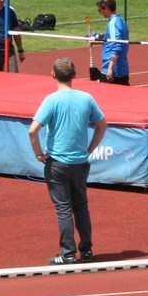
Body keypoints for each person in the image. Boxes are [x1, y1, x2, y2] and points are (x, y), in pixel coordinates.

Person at [28, 57, 108, 265]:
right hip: (80, 162)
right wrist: (89, 149)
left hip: (57, 163)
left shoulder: (51, 100)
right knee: (81, 205)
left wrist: (39, 155)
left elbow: (33, 131)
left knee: (63, 208)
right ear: (74, 75)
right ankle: (86, 250)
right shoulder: (86, 98)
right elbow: (102, 125)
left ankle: (68, 253)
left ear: (53, 75)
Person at [95, 0, 130, 85]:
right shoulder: (121, 20)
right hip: (121, 69)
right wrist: (97, 41)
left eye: (99, 10)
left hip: (112, 71)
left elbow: (116, 45)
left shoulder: (113, 23)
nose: (99, 12)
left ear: (106, 8)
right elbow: (114, 40)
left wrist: (110, 68)